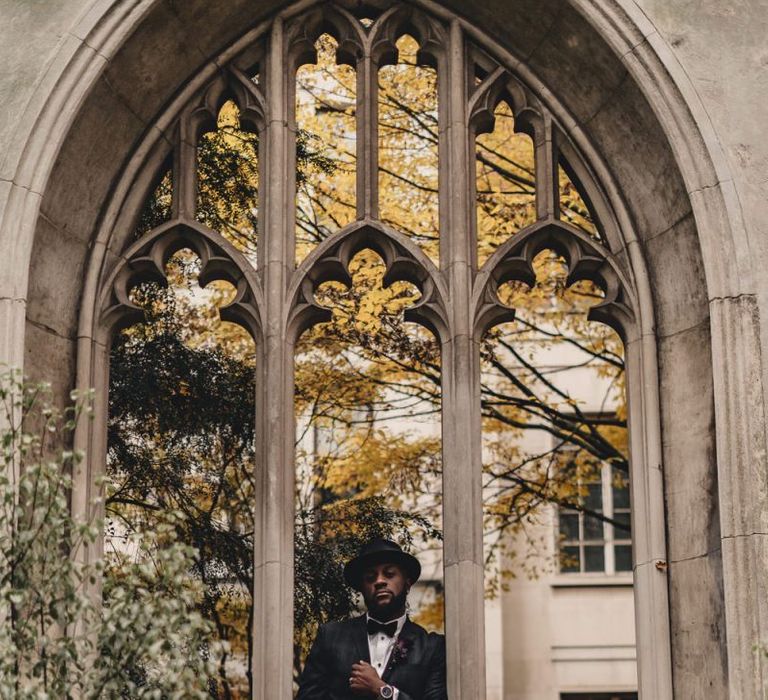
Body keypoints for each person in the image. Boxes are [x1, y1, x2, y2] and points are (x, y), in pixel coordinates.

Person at [296, 538, 447, 700]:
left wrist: (382, 690)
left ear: (407, 584)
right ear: (362, 588)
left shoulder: (432, 647)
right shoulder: (330, 636)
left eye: (389, 574)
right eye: (370, 577)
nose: (379, 581)